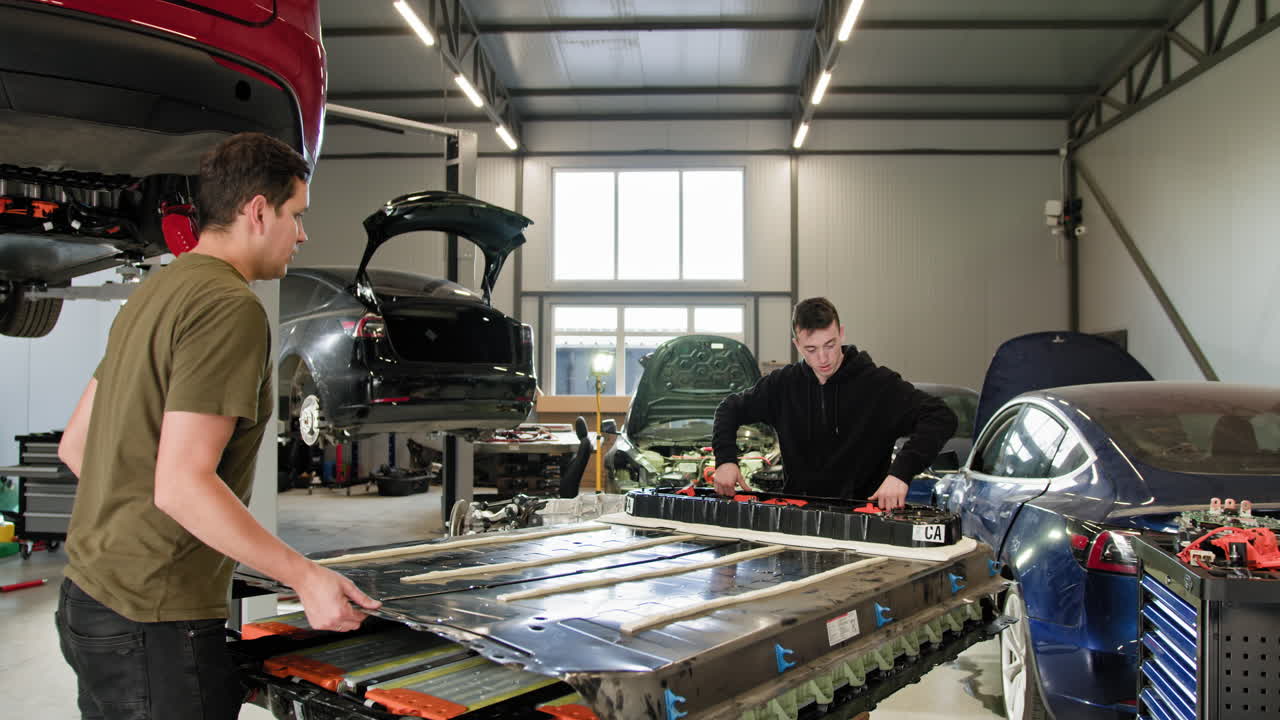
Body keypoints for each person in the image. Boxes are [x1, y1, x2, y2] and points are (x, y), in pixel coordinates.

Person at [55, 132, 380, 719]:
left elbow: (77, 447)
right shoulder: (231, 306)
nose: (302, 235)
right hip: (155, 621)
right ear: (257, 211)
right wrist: (305, 577)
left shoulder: (155, 292)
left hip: (88, 601)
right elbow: (182, 484)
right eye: (297, 215)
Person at [712, 297, 956, 510]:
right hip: (799, 518)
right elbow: (729, 409)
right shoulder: (782, 385)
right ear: (797, 345)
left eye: (830, 345)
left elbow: (941, 416)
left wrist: (901, 473)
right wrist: (726, 461)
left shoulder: (878, 385)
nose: (823, 358)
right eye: (811, 349)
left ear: (841, 333)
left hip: (863, 519)